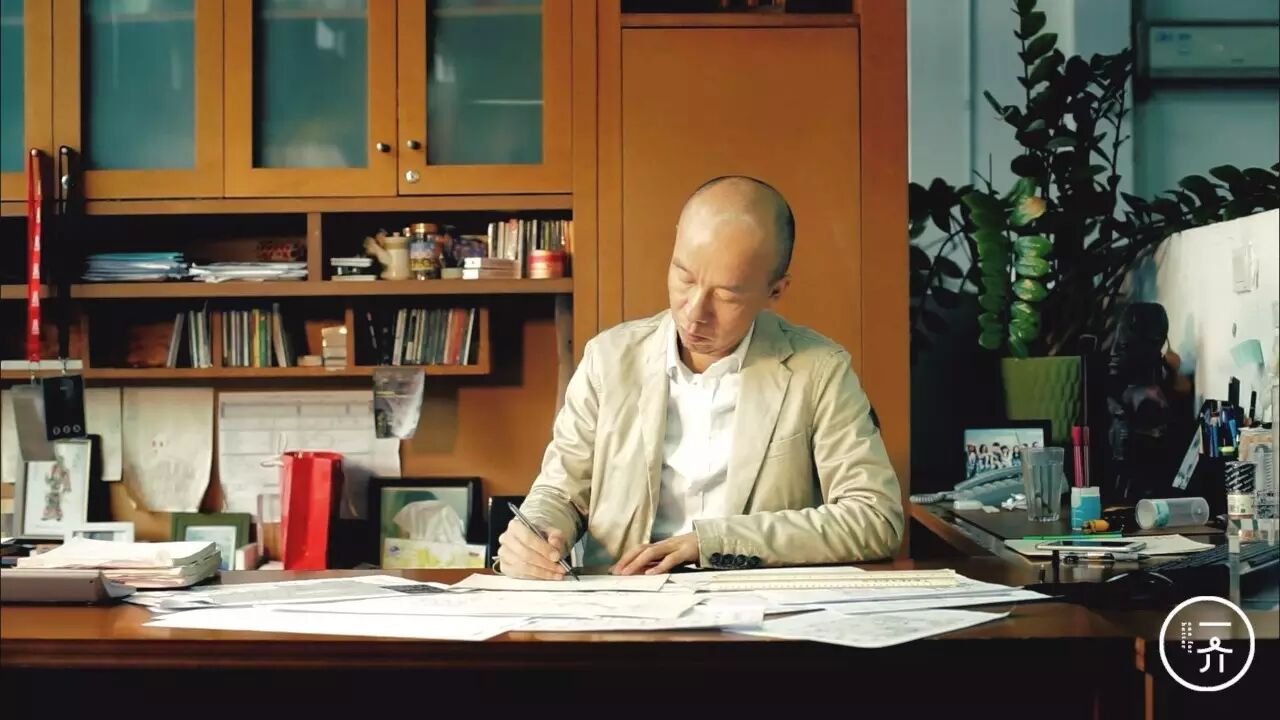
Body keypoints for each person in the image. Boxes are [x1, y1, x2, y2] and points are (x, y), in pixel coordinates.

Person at [496, 176, 903, 579]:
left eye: (726, 295)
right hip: (624, 601)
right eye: (684, 277)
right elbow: (560, 493)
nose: (694, 312)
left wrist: (712, 542)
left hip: (757, 606)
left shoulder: (819, 370)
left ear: (775, 291)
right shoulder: (608, 359)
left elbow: (875, 518)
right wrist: (534, 535)